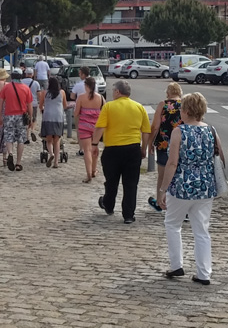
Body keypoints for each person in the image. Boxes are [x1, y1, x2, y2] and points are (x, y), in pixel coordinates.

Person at [156, 92, 217, 285]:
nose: (179, 112)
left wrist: (163, 189)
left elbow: (172, 163)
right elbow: (219, 157)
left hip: (182, 186)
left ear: (188, 111)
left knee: (173, 224)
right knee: (201, 230)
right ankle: (204, 272)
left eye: (181, 109)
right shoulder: (211, 130)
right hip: (205, 187)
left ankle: (176, 265)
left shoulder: (179, 131)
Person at [93, 80, 150, 224]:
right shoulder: (139, 107)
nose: (112, 93)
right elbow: (145, 131)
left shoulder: (109, 107)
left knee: (111, 181)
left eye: (113, 91)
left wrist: (94, 144)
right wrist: (144, 148)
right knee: (131, 183)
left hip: (113, 149)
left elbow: (100, 127)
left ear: (118, 92)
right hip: (132, 148)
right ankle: (128, 215)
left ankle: (109, 205)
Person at [146, 82, 183, 211]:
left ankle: (160, 202)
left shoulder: (163, 104)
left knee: (162, 174)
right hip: (181, 144)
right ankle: (178, 203)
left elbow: (155, 126)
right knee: (179, 173)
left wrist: (150, 143)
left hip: (164, 143)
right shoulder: (185, 105)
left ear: (168, 93)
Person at [0, 69, 33, 172]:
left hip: (9, 115)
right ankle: (18, 163)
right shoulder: (26, 88)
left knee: (8, 136)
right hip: (21, 116)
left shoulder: (6, 88)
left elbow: (0, 103)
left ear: (11, 77)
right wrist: (30, 118)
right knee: (21, 139)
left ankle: (10, 153)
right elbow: (30, 105)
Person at [74, 76, 104, 182]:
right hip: (96, 127)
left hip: (84, 126)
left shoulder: (81, 97)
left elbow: (76, 113)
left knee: (87, 150)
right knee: (95, 149)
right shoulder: (100, 98)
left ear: (86, 86)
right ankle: (94, 170)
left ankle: (88, 174)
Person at [39, 77, 67, 169]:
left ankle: (51, 154)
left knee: (49, 140)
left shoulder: (44, 93)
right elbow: (65, 105)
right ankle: (56, 163)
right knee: (57, 140)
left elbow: (41, 105)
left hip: (48, 116)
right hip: (58, 117)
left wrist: (43, 109)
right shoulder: (62, 92)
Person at [21, 67, 40, 143]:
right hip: (33, 103)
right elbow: (39, 94)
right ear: (32, 74)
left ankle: (26, 137)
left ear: (25, 74)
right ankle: (32, 130)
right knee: (33, 119)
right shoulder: (36, 83)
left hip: (23, 104)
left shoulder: (21, 82)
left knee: (25, 119)